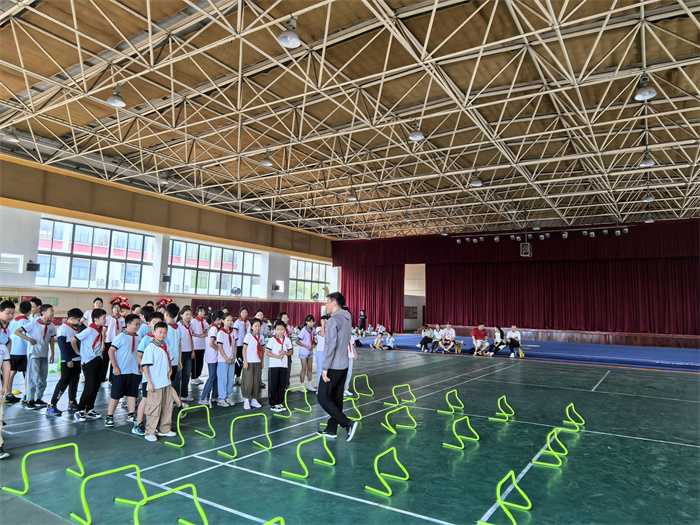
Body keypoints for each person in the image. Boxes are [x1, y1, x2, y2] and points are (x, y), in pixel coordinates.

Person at [317, 292, 358, 441]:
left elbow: (330, 346)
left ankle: (347, 423)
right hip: (344, 364)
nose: (326, 305)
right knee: (336, 398)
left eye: (328, 302)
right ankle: (331, 429)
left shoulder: (333, 320)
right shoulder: (347, 317)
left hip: (333, 366)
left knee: (322, 397)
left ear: (334, 303)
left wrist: (325, 368)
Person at [14, 304, 56, 409]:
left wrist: (52, 353)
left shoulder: (51, 325)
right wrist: (29, 339)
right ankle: (30, 400)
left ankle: (38, 398)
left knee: (43, 378)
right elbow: (17, 331)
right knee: (33, 378)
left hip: (44, 354)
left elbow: (51, 339)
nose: (53, 312)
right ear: (43, 313)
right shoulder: (33, 324)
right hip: (34, 354)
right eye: (51, 310)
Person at [141, 322, 177, 442]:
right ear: (154, 332)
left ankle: (165, 429)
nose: (162, 335)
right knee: (154, 407)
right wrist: (149, 382)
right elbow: (145, 366)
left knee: (167, 406)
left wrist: (170, 370)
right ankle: (150, 431)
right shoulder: (151, 348)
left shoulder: (166, 346)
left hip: (166, 382)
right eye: (160, 332)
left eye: (165, 332)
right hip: (155, 383)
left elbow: (169, 360)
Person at [105, 313, 142, 427]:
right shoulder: (120, 337)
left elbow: (140, 354)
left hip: (134, 371)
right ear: (128, 324)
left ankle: (131, 414)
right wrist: (115, 367)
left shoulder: (139, 337)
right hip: (121, 371)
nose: (137, 326)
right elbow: (111, 351)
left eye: (139, 324)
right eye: (135, 324)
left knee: (132, 394)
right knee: (116, 395)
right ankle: (109, 416)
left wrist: (140, 366)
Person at [131, 311, 164, 436]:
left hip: (159, 376)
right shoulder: (146, 339)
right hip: (148, 376)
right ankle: (138, 424)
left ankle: (153, 424)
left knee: (157, 400)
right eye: (154, 323)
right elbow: (140, 356)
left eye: (159, 323)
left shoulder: (162, 340)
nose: (156, 325)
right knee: (145, 399)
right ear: (149, 324)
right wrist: (143, 368)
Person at [46, 308, 83, 415]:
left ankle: (72, 401)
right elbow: (62, 346)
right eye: (78, 320)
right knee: (64, 382)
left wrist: (80, 325)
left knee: (74, 381)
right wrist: (68, 360)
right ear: (71, 319)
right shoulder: (63, 329)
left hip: (77, 359)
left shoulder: (77, 328)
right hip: (68, 361)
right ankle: (52, 405)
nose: (79, 322)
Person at [72, 308, 107, 420]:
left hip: (98, 359)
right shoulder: (89, 330)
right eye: (103, 318)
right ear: (96, 319)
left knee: (96, 386)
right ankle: (80, 410)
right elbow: (73, 340)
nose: (105, 320)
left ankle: (90, 409)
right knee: (90, 387)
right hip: (89, 361)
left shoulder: (100, 329)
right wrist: (78, 352)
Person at [6, 301, 31, 403]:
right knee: (27, 373)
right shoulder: (27, 323)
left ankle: (8, 394)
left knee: (12, 372)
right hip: (23, 351)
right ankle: (27, 395)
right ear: (30, 311)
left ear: (19, 310)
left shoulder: (12, 322)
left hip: (12, 351)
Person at [265, 320, 293, 412]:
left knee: (281, 385)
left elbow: (291, 351)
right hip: (274, 366)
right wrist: (277, 356)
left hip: (283, 365)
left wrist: (285, 353)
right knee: (274, 384)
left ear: (285, 330)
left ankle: (280, 402)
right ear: (275, 330)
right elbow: (267, 352)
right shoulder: (272, 340)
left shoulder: (287, 340)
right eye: (278, 329)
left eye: (282, 329)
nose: (280, 331)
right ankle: (273, 404)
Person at [0, 300, 15, 459]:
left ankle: (0, 447)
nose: (10, 316)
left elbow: (6, 364)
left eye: (12, 313)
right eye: (8, 313)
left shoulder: (3, 345)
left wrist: (5, 384)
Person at [241, 318, 264, 410]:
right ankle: (246, 400)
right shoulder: (248, 336)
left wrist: (262, 361)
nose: (257, 328)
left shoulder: (261, 337)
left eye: (259, 326)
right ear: (251, 327)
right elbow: (244, 349)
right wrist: (245, 361)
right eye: (255, 326)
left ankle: (254, 399)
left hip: (257, 362)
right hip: (249, 362)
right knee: (248, 381)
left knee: (256, 381)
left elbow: (262, 350)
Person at [200, 312, 222, 406]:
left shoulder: (215, 327)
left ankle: (214, 396)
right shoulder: (214, 329)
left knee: (216, 376)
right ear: (218, 319)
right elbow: (211, 343)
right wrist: (220, 350)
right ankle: (203, 397)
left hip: (214, 356)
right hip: (212, 356)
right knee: (212, 376)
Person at [216, 313, 237, 407]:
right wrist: (226, 358)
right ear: (223, 321)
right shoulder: (221, 333)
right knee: (223, 379)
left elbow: (235, 345)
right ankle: (221, 398)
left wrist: (234, 356)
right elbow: (220, 347)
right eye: (227, 320)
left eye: (231, 320)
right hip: (223, 360)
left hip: (231, 359)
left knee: (230, 379)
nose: (229, 322)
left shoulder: (234, 332)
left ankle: (228, 397)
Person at [102, 301, 124, 382]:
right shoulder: (108, 318)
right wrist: (102, 342)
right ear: (112, 309)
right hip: (108, 341)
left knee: (114, 360)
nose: (117, 309)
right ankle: (102, 377)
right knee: (105, 360)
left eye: (118, 308)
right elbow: (104, 331)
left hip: (117, 342)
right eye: (115, 308)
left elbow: (123, 331)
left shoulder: (122, 319)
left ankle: (112, 378)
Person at [164, 303, 183, 398]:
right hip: (175, 360)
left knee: (167, 383)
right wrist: (179, 361)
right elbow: (180, 345)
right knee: (174, 381)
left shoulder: (165, 328)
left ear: (167, 313)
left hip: (167, 360)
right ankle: (176, 399)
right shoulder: (178, 327)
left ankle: (168, 401)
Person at [178, 306, 195, 401]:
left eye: (190, 315)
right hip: (181, 353)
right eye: (186, 314)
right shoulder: (178, 326)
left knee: (187, 374)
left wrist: (193, 350)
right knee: (179, 375)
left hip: (188, 352)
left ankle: (184, 394)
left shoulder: (190, 325)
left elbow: (191, 338)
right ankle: (177, 395)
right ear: (181, 315)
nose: (189, 316)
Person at [297, 315, 316, 393]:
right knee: (304, 368)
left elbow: (314, 339)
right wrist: (306, 346)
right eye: (310, 322)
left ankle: (309, 385)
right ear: (306, 322)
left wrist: (314, 344)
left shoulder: (313, 330)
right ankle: (302, 386)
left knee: (310, 368)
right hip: (304, 351)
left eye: (313, 322)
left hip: (310, 351)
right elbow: (297, 341)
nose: (312, 323)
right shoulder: (303, 330)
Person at [190, 305, 209, 386]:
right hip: (195, 344)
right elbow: (191, 332)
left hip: (202, 344)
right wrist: (199, 335)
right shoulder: (194, 321)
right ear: (197, 312)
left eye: (203, 311)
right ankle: (193, 377)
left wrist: (205, 332)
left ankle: (197, 376)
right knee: (195, 362)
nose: (202, 313)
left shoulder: (204, 321)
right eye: (200, 311)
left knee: (200, 361)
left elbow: (206, 329)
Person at [233, 307, 250, 387]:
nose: (244, 314)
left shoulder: (248, 322)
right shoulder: (237, 322)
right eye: (243, 312)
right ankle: (233, 376)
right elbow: (235, 333)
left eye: (246, 313)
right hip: (239, 344)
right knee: (238, 361)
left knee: (243, 361)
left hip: (246, 344)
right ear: (240, 313)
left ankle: (238, 376)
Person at [277, 312, 292, 389]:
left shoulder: (288, 327)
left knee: (288, 367)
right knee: (280, 368)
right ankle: (280, 384)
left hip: (287, 350)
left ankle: (286, 384)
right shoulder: (277, 328)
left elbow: (290, 337)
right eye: (284, 318)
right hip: (280, 351)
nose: (286, 319)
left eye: (287, 318)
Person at [314, 315, 328, 389]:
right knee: (320, 370)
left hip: (328, 352)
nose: (325, 324)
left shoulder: (329, 329)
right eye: (324, 322)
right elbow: (322, 335)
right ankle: (319, 388)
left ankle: (325, 387)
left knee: (327, 370)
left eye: (326, 322)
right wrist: (322, 325)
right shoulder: (318, 328)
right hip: (320, 351)